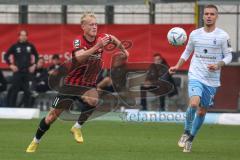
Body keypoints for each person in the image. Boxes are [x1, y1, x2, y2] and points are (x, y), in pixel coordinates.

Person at [26, 12, 129, 153]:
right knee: (51, 117)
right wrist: (96, 47)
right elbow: (79, 57)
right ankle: (35, 141)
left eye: (96, 24)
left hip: (88, 84)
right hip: (72, 83)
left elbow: (113, 38)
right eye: (91, 24)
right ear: (83, 27)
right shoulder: (78, 41)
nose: (94, 27)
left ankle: (77, 127)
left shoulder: (102, 38)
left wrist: (123, 50)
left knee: (93, 100)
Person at [169, 4, 232, 153]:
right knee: (193, 103)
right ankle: (185, 132)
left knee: (202, 112)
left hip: (212, 79)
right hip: (196, 74)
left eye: (212, 14)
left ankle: (190, 138)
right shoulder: (194, 34)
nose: (209, 16)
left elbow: (229, 55)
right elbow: (187, 51)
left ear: (217, 17)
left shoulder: (223, 36)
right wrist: (177, 66)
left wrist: (219, 64)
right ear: (203, 16)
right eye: (207, 14)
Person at [4, 30, 39, 107]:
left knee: (27, 91)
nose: (23, 37)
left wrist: (34, 65)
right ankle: (12, 108)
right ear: (19, 36)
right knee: (14, 90)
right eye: (22, 35)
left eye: (25, 35)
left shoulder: (30, 46)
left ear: (27, 36)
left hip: (27, 72)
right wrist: (11, 65)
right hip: (17, 72)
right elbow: (6, 56)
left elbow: (36, 56)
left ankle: (27, 109)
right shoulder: (15, 46)